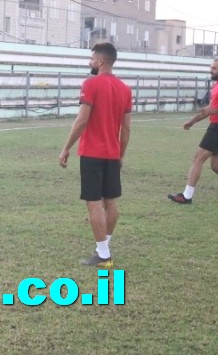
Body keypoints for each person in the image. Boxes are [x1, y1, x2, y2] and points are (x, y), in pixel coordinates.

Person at [58, 43, 132, 268]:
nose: (90, 63)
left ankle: (103, 254)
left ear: (100, 61)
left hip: (92, 152)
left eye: (91, 59)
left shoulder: (90, 84)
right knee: (110, 201)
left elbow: (82, 120)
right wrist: (120, 155)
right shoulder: (125, 89)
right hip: (112, 153)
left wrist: (66, 147)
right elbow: (126, 129)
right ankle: (105, 247)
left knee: (94, 203)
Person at [168, 58, 218, 204]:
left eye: (214, 68)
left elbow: (213, 109)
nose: (210, 70)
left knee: (198, 159)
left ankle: (187, 196)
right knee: (216, 166)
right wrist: (192, 121)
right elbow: (209, 110)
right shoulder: (217, 86)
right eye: (211, 67)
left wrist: (214, 110)